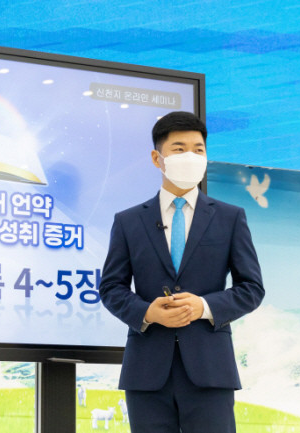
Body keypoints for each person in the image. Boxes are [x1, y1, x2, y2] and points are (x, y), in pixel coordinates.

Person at [98, 111, 264, 433]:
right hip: (146, 372)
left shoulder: (230, 218)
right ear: (156, 158)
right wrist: (147, 312)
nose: (190, 156)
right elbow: (111, 287)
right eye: (179, 149)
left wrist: (204, 306)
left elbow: (252, 288)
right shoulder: (128, 221)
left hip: (210, 369)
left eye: (198, 149)